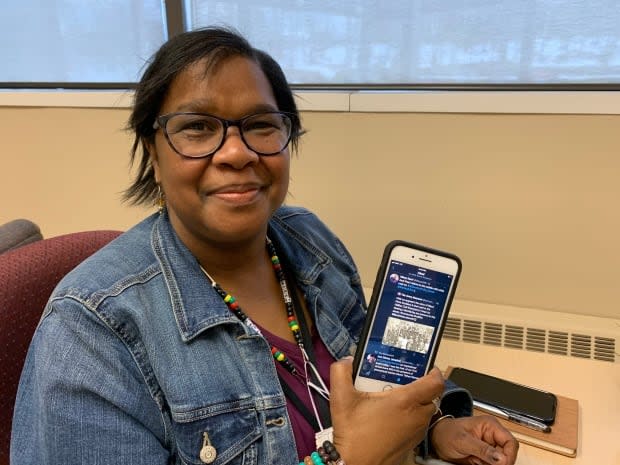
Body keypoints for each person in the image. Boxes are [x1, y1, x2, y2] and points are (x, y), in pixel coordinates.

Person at [11, 27, 518, 465]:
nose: (236, 152)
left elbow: (377, 374)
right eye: (197, 127)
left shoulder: (308, 240)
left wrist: (435, 429)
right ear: (153, 150)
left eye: (260, 125)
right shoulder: (91, 331)